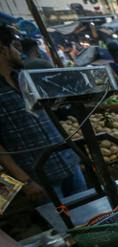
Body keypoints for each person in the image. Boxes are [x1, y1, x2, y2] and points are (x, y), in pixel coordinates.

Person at [0, 25, 86, 201]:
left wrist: (76, 154)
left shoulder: (24, 78)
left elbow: (49, 116)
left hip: (68, 163)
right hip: (39, 177)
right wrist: (26, 181)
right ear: (2, 49)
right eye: (15, 47)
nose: (20, 53)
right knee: (64, 225)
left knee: (93, 216)